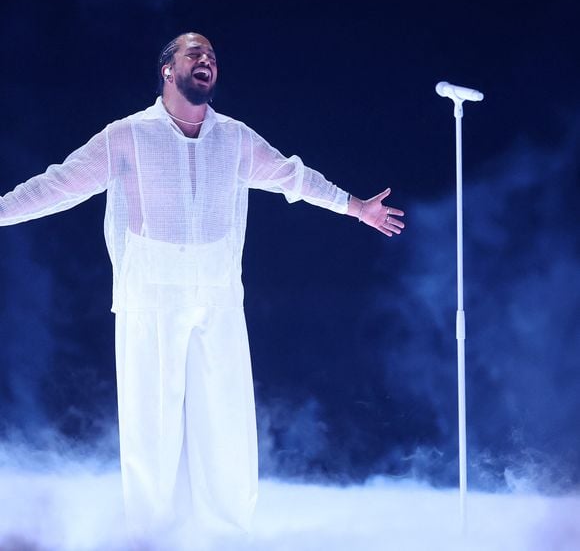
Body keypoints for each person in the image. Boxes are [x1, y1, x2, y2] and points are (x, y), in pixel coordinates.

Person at [0, 32, 405, 548]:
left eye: (212, 56)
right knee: (152, 427)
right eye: (195, 54)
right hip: (150, 293)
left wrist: (356, 207)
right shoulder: (127, 135)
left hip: (216, 293)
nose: (207, 61)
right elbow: (58, 184)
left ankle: (227, 536)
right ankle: (150, 537)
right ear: (168, 70)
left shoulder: (234, 138)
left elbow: (292, 178)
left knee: (227, 423)